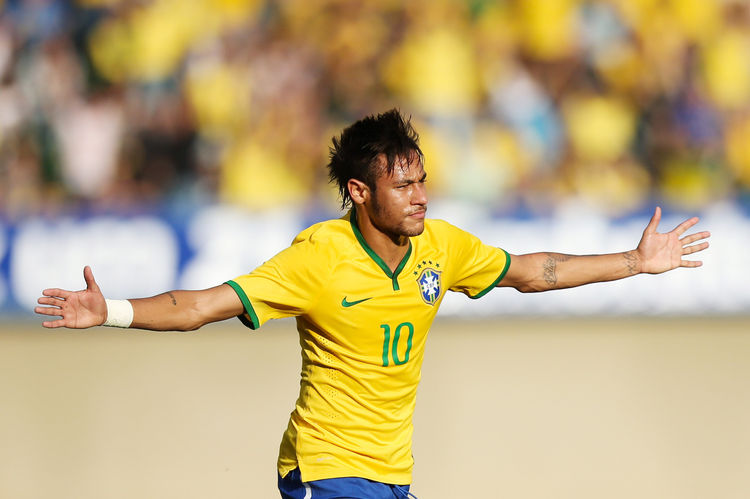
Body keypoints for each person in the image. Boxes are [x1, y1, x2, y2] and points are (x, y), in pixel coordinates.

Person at [35, 109, 710, 499]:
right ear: (360, 192)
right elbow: (199, 306)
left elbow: (533, 272)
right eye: (403, 186)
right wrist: (111, 310)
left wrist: (634, 262)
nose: (421, 197)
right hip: (325, 469)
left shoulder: (441, 246)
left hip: (392, 477)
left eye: (422, 181)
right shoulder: (318, 258)